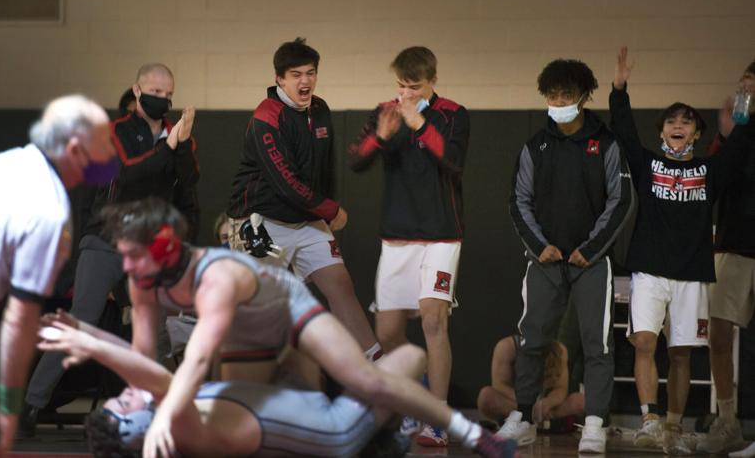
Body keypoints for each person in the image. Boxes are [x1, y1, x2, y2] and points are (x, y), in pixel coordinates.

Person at [107, 197, 516, 458]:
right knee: (263, 419)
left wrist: (160, 413)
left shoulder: (214, 275)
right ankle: (375, 436)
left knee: (363, 377)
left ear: (165, 249)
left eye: (132, 255)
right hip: (244, 332)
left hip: (284, 304)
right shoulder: (140, 278)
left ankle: (471, 435)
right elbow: (145, 357)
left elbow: (195, 361)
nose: (125, 266)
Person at [21, 63, 201, 436]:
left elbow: (189, 184)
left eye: (168, 94)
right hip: (106, 238)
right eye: (155, 92)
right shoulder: (116, 131)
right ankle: (30, 405)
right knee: (81, 320)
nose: (162, 100)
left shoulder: (177, 134)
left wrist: (181, 145)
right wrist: (169, 146)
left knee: (154, 326)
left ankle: (154, 411)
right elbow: (131, 173)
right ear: (137, 91)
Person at [0, 95, 117, 456]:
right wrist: (9, 409)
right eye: (104, 144)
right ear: (75, 148)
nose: (113, 154)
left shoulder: (9, 164)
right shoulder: (47, 210)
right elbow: (18, 326)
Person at [610, 47, 753, 455]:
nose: (678, 125)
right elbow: (622, 130)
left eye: (686, 122)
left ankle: (672, 427)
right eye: (671, 121)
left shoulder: (710, 172)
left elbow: (741, 144)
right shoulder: (648, 164)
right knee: (643, 342)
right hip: (649, 272)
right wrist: (619, 88)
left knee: (681, 355)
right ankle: (649, 420)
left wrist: (746, 104)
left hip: (692, 274)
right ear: (661, 132)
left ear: (696, 134)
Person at [37, 314, 423, 457]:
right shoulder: (182, 431)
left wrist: (84, 329)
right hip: (336, 427)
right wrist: (89, 345)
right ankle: (379, 436)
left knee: (286, 332)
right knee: (411, 358)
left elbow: (141, 368)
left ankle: (380, 434)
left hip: (297, 404)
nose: (122, 393)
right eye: (122, 404)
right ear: (138, 428)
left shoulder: (173, 418)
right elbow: (154, 376)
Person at [506, 57, 634, 453]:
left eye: (566, 93)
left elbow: (621, 198)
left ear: (583, 96)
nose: (558, 99)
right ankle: (524, 417)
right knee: (531, 340)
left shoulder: (606, 142)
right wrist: (538, 245)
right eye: (552, 93)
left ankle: (594, 423)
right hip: (544, 261)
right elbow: (518, 201)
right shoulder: (535, 145)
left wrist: (591, 248)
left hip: (591, 262)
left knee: (598, 344)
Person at [227, 37, 381, 360]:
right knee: (260, 311)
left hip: (305, 217)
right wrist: (329, 209)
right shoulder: (266, 116)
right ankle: (238, 391)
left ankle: (381, 382)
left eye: (310, 73)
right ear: (279, 79)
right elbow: (284, 182)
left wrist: (324, 211)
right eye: (296, 74)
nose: (305, 81)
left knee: (341, 286)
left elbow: (325, 170)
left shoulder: (320, 110)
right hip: (260, 220)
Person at [348, 46, 469, 446]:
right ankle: (415, 396)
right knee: (387, 333)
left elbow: (453, 161)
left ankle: (437, 416)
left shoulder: (453, 114)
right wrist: (381, 139)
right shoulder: (386, 110)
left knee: (434, 320)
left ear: (432, 81)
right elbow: (356, 161)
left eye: (414, 86)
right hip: (396, 234)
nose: (406, 93)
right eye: (400, 85)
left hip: (440, 233)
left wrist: (419, 124)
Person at [699, 60, 755, 454]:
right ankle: (727, 420)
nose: (744, 92)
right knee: (718, 335)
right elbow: (715, 182)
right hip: (734, 243)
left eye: (751, 86)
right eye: (743, 85)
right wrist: (728, 135)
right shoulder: (734, 135)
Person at [477, 335, 584, 430]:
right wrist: (527, 404)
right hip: (515, 404)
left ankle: (529, 421)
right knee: (486, 396)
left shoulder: (559, 350)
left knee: (581, 401)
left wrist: (547, 403)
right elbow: (500, 385)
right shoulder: (506, 346)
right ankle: (544, 422)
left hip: (545, 407)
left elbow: (560, 389)